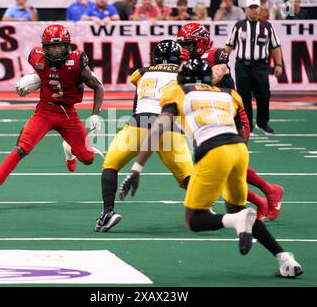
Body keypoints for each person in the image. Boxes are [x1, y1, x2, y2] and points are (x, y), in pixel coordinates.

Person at [119, 59, 303, 279]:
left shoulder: (179, 92)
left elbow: (159, 127)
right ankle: (285, 259)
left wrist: (137, 167)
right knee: (237, 209)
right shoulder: (228, 94)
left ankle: (236, 221)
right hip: (239, 151)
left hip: (213, 152)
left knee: (194, 220)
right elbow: (239, 124)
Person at [0, 25, 104, 204]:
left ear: (68, 46)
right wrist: (29, 83)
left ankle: (69, 151)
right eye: (52, 47)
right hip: (45, 110)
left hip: (68, 113)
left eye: (60, 46)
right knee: (21, 148)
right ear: (44, 47)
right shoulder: (36, 57)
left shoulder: (77, 62)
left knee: (89, 159)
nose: (57, 51)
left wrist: (95, 114)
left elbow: (98, 86)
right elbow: (43, 75)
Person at [178, 22, 284, 221]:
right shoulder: (192, 61)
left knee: (228, 164)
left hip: (232, 118)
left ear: (200, 43)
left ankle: (267, 192)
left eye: (190, 44)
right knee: (223, 166)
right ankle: (265, 195)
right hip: (208, 119)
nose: (186, 49)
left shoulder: (215, 54)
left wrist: (187, 70)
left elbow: (214, 76)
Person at [92, 40, 193, 232]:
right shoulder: (185, 74)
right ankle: (204, 208)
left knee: (110, 165)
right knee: (187, 176)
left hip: (140, 123)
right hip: (170, 127)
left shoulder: (142, 72)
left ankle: (108, 213)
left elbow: (136, 81)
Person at [225, 0, 283, 136]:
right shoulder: (239, 26)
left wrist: (278, 64)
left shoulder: (267, 26)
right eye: (251, 8)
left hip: (260, 66)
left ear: (259, 8)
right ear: (246, 9)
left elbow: (275, 46)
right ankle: (247, 125)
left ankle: (262, 123)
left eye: (255, 7)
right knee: (244, 97)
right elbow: (229, 46)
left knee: (263, 95)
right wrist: (221, 62)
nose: (253, 10)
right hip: (242, 66)